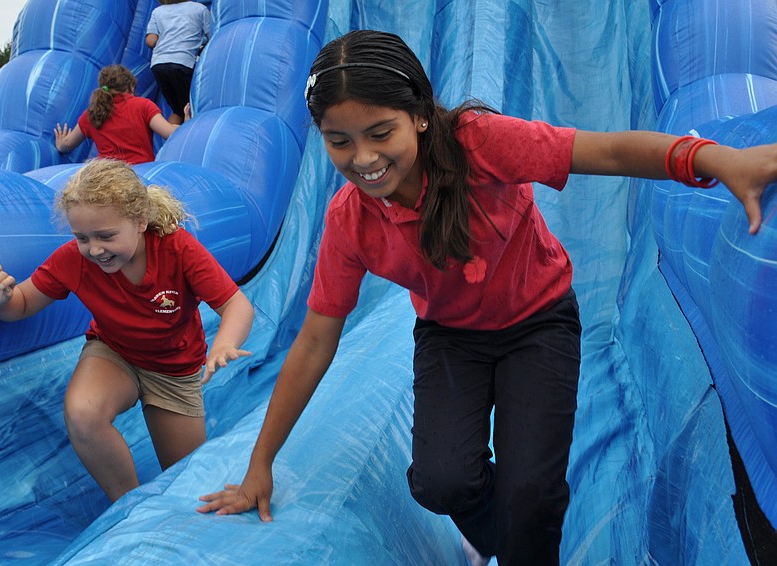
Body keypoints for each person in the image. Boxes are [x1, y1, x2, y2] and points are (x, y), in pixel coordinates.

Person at [195, 30, 776, 565]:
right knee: (441, 482)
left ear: (420, 117)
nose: (363, 159)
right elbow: (315, 343)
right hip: (451, 338)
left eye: (380, 133)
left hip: (538, 324)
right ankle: (518, 535)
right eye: (338, 141)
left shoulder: (479, 142)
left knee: (532, 491)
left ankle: (527, 529)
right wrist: (259, 464)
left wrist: (715, 159)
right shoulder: (351, 219)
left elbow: (607, 151)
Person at [0, 158, 254, 503]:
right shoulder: (74, 260)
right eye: (82, 237)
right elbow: (20, 304)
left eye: (106, 236)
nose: (94, 249)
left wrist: (223, 344)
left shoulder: (176, 248)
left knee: (188, 482)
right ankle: (127, 505)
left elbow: (236, 305)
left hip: (173, 368)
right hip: (115, 354)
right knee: (83, 413)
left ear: (140, 221)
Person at [54, 64, 188, 165]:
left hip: (108, 177)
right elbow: (169, 132)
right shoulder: (142, 105)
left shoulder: (92, 112)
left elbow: (67, 144)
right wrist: (188, 122)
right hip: (139, 174)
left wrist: (61, 143)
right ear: (131, 88)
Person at [146, 0, 211, 125]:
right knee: (190, 107)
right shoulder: (200, 9)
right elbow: (212, 36)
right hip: (183, 62)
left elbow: (150, 41)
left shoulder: (157, 11)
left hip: (158, 64)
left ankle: (170, 139)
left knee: (177, 110)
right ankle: (189, 138)